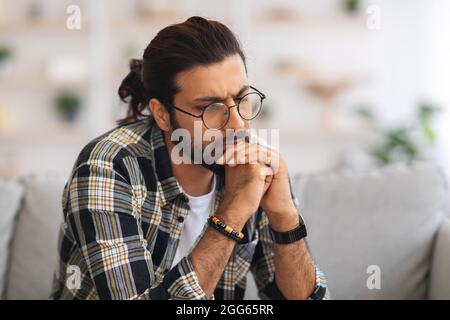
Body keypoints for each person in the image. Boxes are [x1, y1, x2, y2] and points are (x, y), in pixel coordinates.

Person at [51, 16, 328, 300]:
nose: (238, 125)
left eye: (241, 99)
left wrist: (284, 217)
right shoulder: (108, 166)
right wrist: (231, 214)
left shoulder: (253, 162)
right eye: (210, 107)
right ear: (161, 113)